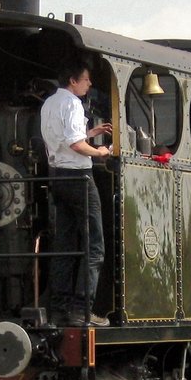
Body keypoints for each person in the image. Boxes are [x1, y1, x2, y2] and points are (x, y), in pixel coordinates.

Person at [41, 60, 113, 326]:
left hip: (57, 177)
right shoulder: (72, 103)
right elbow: (75, 144)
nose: (89, 83)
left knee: (65, 245)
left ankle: (58, 309)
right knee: (95, 246)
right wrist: (101, 151)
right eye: (86, 79)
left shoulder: (49, 103)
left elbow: (64, 138)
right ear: (73, 81)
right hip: (79, 178)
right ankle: (83, 309)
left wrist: (89, 133)